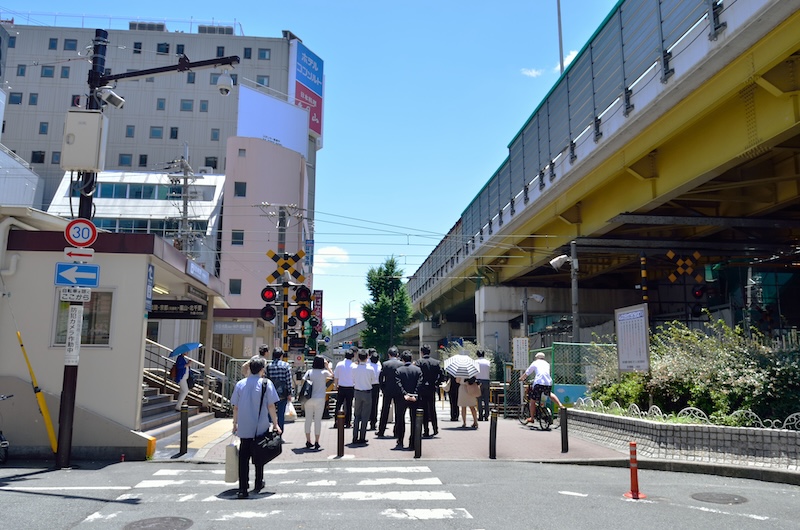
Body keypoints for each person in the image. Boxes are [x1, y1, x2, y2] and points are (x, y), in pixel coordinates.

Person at [230, 356, 281, 499]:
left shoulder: (240, 384)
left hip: (244, 426)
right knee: (260, 454)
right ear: (262, 369)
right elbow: (271, 406)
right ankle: (258, 482)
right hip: (261, 426)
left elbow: (236, 407)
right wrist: (276, 424)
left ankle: (242, 488)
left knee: (243, 457)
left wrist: (235, 424)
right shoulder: (266, 383)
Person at [519, 351, 563, 423]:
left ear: (536, 358)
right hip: (548, 382)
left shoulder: (535, 363)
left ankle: (532, 418)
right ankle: (560, 405)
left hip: (539, 382)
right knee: (549, 394)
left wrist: (521, 378)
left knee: (532, 401)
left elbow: (527, 372)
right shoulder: (547, 364)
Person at [301, 355, 332, 450]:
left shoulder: (309, 372)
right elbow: (333, 376)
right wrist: (328, 366)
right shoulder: (324, 372)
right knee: (318, 420)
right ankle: (317, 442)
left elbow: (302, 381)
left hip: (308, 398)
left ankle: (308, 441)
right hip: (320, 398)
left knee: (308, 420)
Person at [394, 350, 423, 449]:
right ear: (411, 359)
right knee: (414, 420)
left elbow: (398, 384)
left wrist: (404, 394)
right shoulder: (417, 370)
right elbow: (420, 383)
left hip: (402, 398)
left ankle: (400, 440)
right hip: (414, 397)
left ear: (402, 359)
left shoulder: (399, 370)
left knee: (400, 419)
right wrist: (414, 394)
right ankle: (412, 442)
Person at [415, 344, 443, 437]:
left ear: (421, 352)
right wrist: (436, 383)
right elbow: (442, 376)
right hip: (431, 388)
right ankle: (435, 428)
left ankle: (426, 430)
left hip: (422, 389)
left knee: (423, 409)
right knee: (432, 408)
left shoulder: (419, 362)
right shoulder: (436, 362)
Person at [351, 350, 378, 444]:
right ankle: (362, 436)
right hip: (367, 392)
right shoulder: (370, 369)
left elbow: (352, 379)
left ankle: (354, 436)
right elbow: (373, 380)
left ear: (358, 357)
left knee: (356, 415)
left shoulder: (354, 368)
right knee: (365, 416)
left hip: (357, 392)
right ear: (367, 357)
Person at [377, 346, 402, 438]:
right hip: (399, 390)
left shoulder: (385, 364)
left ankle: (381, 431)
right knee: (399, 411)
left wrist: (382, 387)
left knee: (385, 410)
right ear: (397, 354)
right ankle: (397, 431)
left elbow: (380, 377)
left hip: (387, 390)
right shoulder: (401, 364)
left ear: (389, 355)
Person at [266, 348, 293, 430]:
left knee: (269, 412)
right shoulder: (286, 365)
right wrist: (289, 393)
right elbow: (288, 380)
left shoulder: (268, 366)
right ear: (281, 356)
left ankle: (268, 431)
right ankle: (279, 433)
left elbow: (266, 379)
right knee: (281, 414)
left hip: (271, 393)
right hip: (282, 393)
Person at [333, 349, 356, 428]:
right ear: (352, 357)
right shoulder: (354, 366)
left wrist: (335, 386)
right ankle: (348, 422)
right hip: (350, 387)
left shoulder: (339, 364)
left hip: (341, 387)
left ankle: (336, 421)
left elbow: (336, 377)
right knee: (349, 405)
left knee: (338, 404)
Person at [475, 350, 492, 421]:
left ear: (477, 355)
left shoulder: (475, 362)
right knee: (486, 399)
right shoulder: (488, 362)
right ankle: (486, 415)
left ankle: (480, 415)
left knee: (479, 399)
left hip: (478, 381)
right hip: (486, 381)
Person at [367, 349, 381, 430]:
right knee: (375, 405)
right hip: (376, 386)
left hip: (368, 386)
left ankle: (367, 420)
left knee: (367, 405)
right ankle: (373, 422)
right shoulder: (379, 366)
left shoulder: (368, 366)